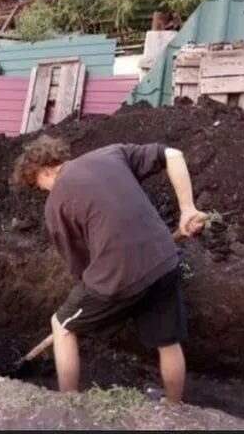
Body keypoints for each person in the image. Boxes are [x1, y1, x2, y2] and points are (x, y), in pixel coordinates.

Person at [13, 135, 207, 404]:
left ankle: (67, 404)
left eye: (39, 185)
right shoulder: (111, 154)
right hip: (164, 260)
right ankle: (174, 407)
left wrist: (102, 296)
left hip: (119, 276)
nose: (44, 190)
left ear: (44, 170)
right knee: (168, 342)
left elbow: (79, 264)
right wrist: (187, 209)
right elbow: (172, 154)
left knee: (63, 326)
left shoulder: (56, 203)